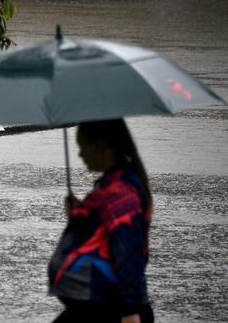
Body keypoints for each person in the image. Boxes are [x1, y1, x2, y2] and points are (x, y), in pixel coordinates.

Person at [48, 119, 154, 323]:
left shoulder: (120, 192)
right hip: (97, 305)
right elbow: (105, 233)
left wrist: (130, 312)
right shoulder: (115, 183)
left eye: (83, 148)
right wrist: (80, 214)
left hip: (113, 310)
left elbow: (128, 249)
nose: (80, 155)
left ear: (101, 147)